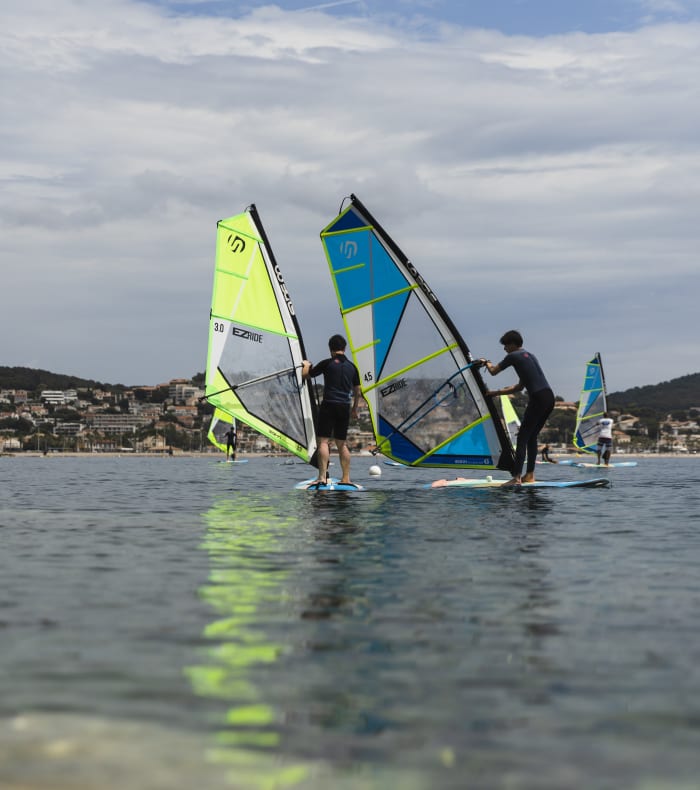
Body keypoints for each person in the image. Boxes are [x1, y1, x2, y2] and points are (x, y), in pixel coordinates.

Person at [480, 330, 555, 486]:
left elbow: (493, 371)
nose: (504, 349)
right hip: (549, 397)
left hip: (538, 398)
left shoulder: (513, 356)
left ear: (513, 344)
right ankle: (530, 475)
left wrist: (485, 362)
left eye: (506, 345)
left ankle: (516, 478)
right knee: (532, 436)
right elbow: (519, 387)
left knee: (522, 437)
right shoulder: (529, 356)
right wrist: (496, 392)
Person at [302, 334, 361, 487]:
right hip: (344, 407)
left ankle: (322, 477)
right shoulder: (352, 367)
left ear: (330, 349)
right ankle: (346, 478)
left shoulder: (327, 363)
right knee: (342, 444)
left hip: (329, 405)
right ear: (345, 348)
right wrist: (354, 409)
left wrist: (306, 365)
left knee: (323, 442)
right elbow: (358, 391)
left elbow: (306, 375)